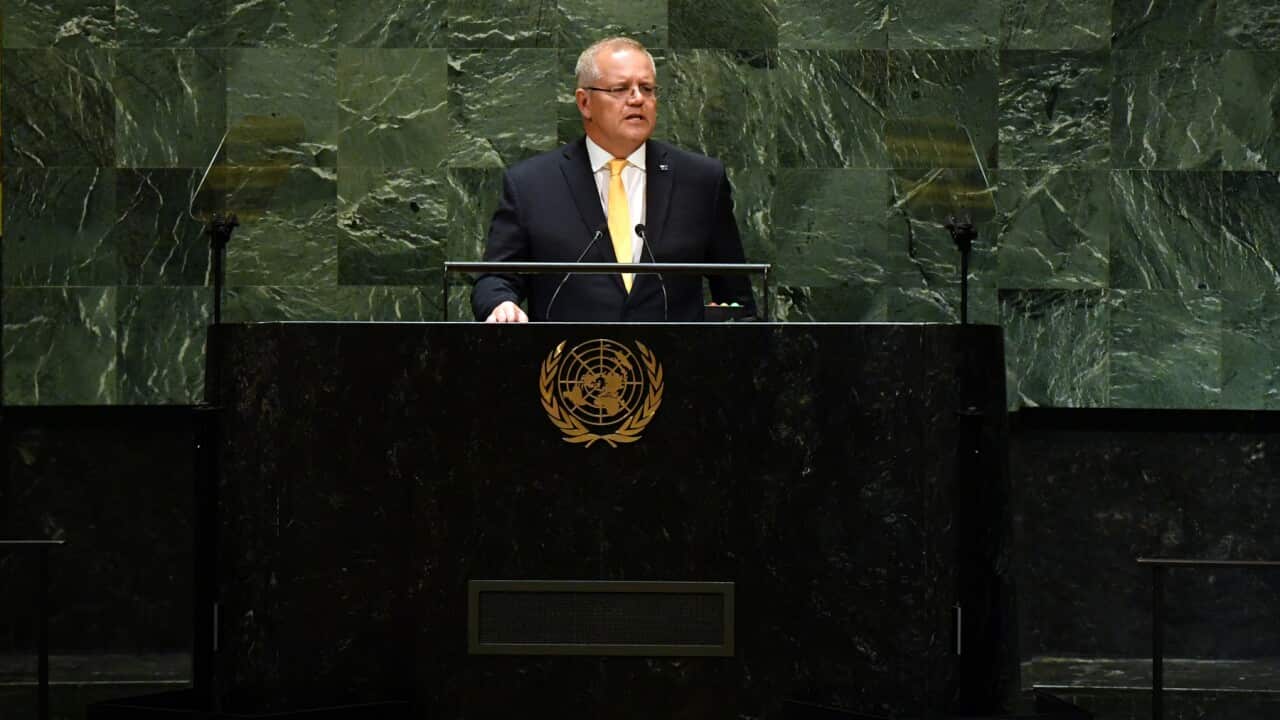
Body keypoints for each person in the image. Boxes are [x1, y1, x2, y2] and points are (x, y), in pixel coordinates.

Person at [470, 36, 756, 323]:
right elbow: (495, 279)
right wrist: (500, 305)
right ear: (584, 103)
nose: (637, 99)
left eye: (646, 88)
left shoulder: (700, 180)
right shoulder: (531, 184)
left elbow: (736, 297)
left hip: (676, 361)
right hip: (570, 362)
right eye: (620, 89)